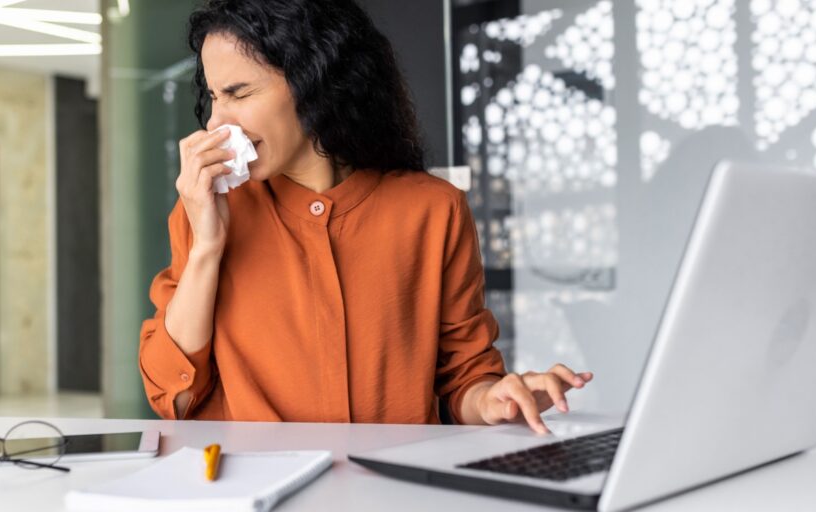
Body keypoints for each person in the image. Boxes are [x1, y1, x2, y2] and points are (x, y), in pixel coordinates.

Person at [139, 0, 592, 433]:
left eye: (238, 93)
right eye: (214, 96)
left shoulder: (434, 211)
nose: (217, 121)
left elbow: (463, 379)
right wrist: (206, 250)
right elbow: (173, 396)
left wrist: (495, 400)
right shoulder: (207, 212)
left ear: (313, 81)